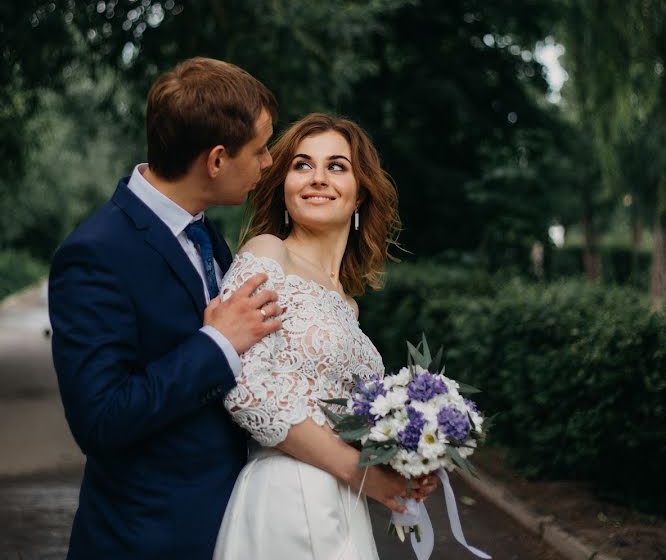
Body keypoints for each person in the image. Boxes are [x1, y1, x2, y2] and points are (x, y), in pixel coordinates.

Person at [49, 57, 283, 559]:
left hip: (233, 524)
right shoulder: (95, 254)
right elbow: (100, 420)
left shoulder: (205, 232)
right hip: (147, 540)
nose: (268, 163)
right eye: (261, 149)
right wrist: (216, 344)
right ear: (216, 160)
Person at [213, 113, 437, 559]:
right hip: (284, 495)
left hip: (341, 502)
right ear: (283, 186)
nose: (317, 178)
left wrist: (404, 456)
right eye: (301, 165)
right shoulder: (267, 253)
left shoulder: (347, 302)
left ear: (360, 194)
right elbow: (245, 387)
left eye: (336, 166)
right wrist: (362, 474)